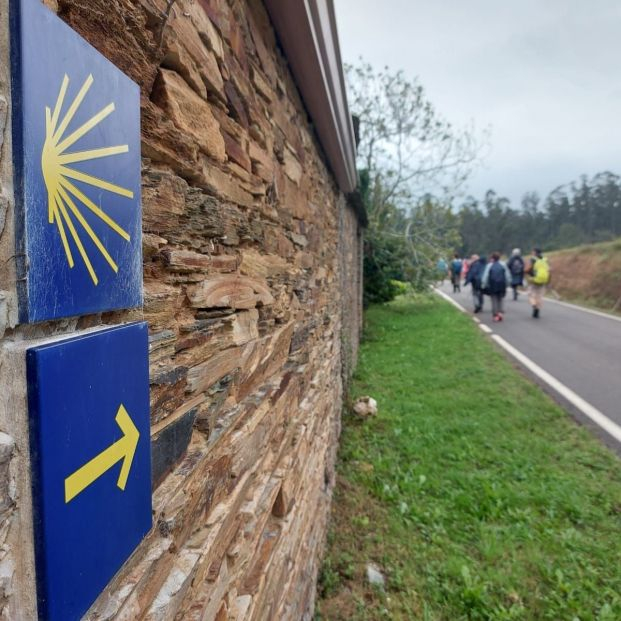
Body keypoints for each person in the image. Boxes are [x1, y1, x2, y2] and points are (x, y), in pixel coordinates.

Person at [481, 252, 511, 322]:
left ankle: (495, 314)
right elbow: (507, 275)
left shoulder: (489, 265)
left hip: (493, 284)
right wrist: (507, 284)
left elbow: (486, 276)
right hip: (502, 284)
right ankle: (500, 312)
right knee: (500, 298)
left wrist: (483, 285)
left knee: (494, 299)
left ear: (492, 258)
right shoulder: (503, 265)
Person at [525, 247, 550, 318]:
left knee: (531, 294)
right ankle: (538, 309)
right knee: (539, 295)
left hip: (534, 279)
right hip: (543, 280)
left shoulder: (533, 259)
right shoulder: (545, 260)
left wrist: (525, 271)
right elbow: (549, 270)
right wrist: (548, 280)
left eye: (532, 252)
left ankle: (534, 304)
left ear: (535, 253)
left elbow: (528, 269)